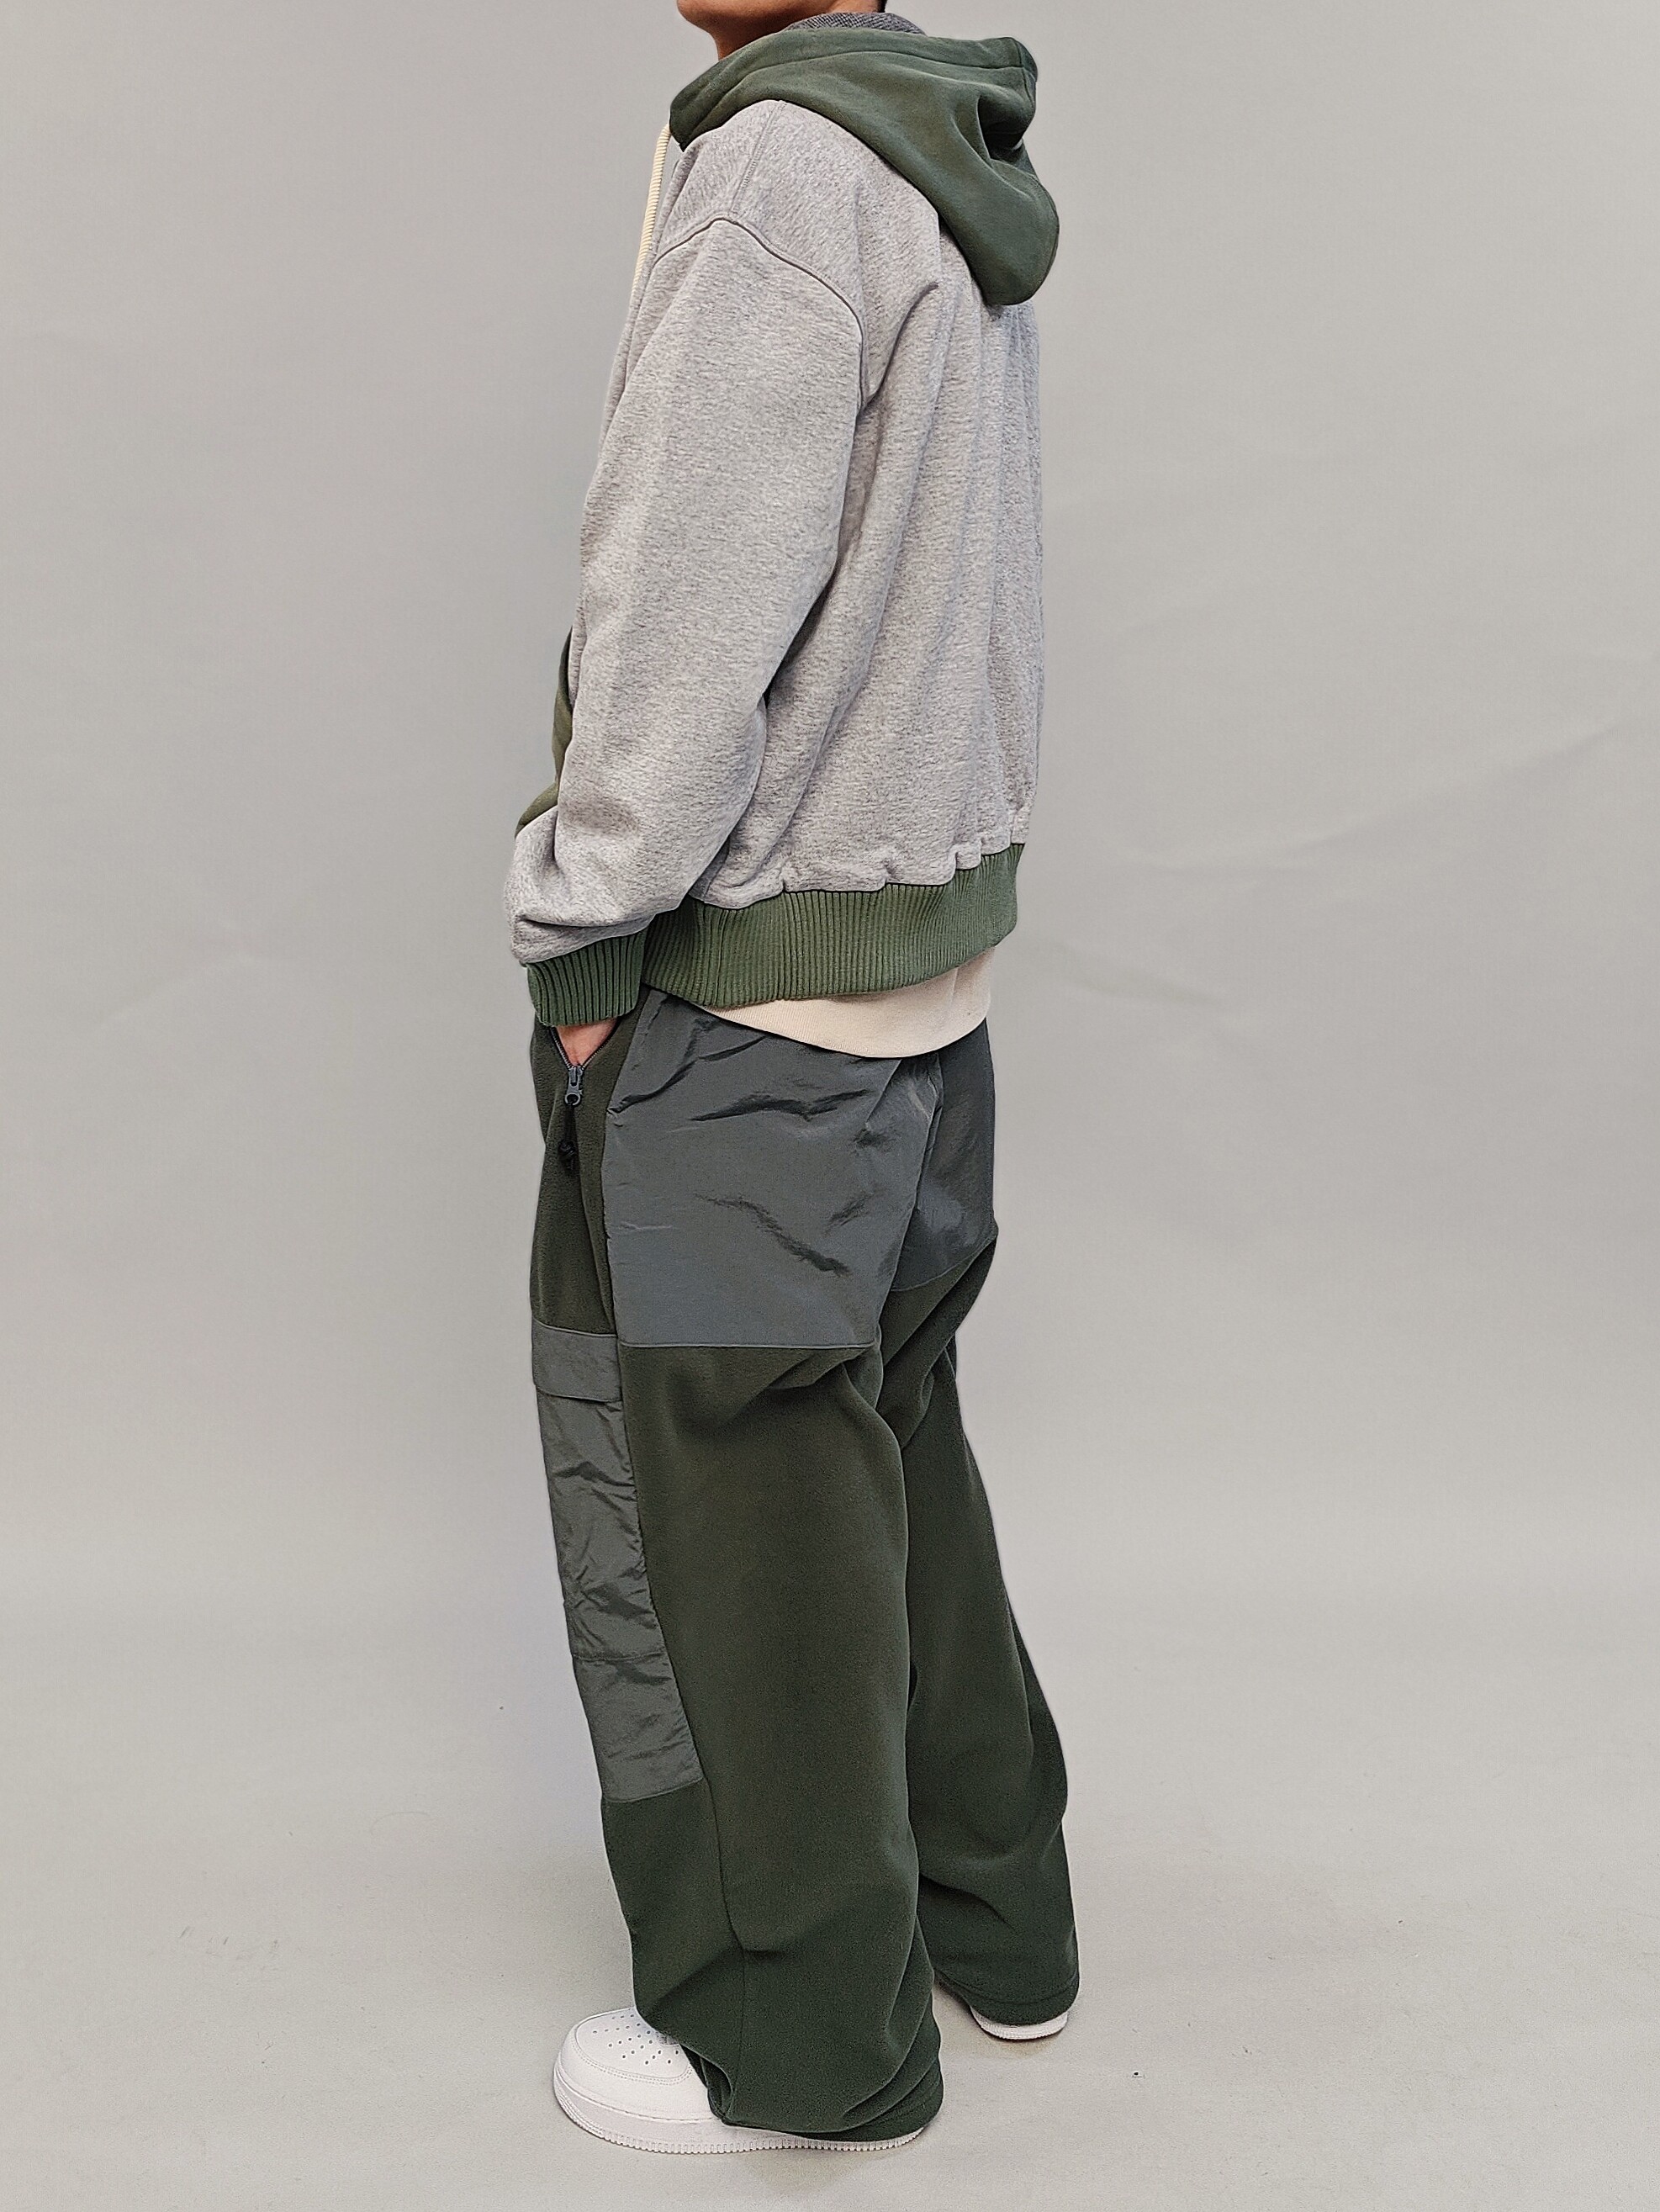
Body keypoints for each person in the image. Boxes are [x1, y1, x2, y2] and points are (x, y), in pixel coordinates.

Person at [504, 0, 1077, 2156]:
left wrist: (584, 919)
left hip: (751, 1001)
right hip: (921, 967)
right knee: (888, 1447)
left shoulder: (776, 175)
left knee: (737, 1525)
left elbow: (683, 609)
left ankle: (799, 2035)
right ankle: (998, 1925)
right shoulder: (943, 154)